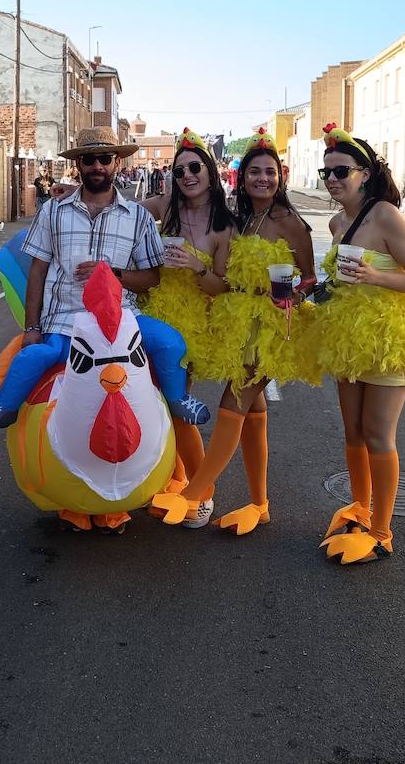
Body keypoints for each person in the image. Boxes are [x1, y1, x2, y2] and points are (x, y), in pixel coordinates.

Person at [0, 126, 210, 448]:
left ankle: (178, 400)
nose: (97, 165)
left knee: (170, 343)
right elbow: (38, 270)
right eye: (89, 159)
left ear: (117, 163)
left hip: (122, 321)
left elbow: (152, 278)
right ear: (79, 165)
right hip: (65, 322)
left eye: (105, 158)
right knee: (36, 355)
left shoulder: (137, 216)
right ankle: (5, 408)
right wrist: (32, 327)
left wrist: (112, 273)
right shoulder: (53, 211)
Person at [151, 128, 320, 536]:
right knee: (255, 413)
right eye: (254, 173)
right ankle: (260, 505)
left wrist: (290, 298)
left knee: (235, 402)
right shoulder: (241, 218)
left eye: (270, 172)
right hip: (238, 320)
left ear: (281, 176)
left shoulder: (290, 222)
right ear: (241, 179)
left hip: (271, 325)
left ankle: (195, 493)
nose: (262, 179)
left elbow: (310, 277)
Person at [315, 123, 405, 565]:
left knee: (377, 434)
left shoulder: (387, 215)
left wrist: (376, 276)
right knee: (352, 432)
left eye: (341, 171)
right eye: (327, 174)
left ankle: (382, 531)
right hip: (349, 340)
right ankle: (358, 509)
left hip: (390, 340)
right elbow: (340, 282)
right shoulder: (338, 222)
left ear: (365, 173)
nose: (333, 180)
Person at [138, 128, 234, 529]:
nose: (188, 176)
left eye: (195, 168)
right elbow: (116, 211)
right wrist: (71, 199)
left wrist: (198, 268)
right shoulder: (163, 208)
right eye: (179, 171)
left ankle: (202, 491)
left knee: (177, 406)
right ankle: (173, 479)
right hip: (154, 317)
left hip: (192, 325)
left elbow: (222, 286)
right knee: (153, 405)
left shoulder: (223, 227)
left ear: (210, 173)